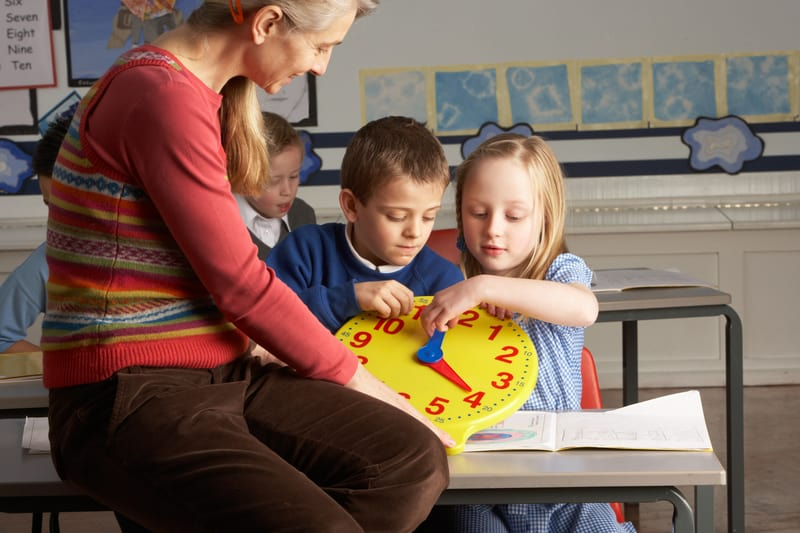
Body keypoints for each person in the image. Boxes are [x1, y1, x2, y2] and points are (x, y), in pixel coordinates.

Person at [42, 2, 454, 532]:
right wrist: (373, 388)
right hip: (127, 389)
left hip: (221, 371)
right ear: (267, 23)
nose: (321, 66)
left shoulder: (201, 95)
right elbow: (242, 286)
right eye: (321, 47)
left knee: (410, 462)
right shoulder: (159, 95)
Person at [418, 134, 636, 532]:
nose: (493, 229)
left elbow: (584, 309)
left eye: (514, 216)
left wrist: (487, 287)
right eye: (478, 213)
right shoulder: (450, 287)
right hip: (480, 486)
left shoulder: (560, 271)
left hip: (564, 483)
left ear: (545, 219)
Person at [267, 115, 464, 333]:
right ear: (351, 206)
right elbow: (266, 320)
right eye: (397, 216)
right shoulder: (304, 251)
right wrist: (348, 299)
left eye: (429, 217)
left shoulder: (446, 282)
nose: (415, 232)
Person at [0, 114, 70, 354]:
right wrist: (56, 367)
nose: (55, 221)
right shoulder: (47, 260)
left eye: (68, 207)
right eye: (50, 206)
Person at [235, 111, 316, 260]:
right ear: (243, 176)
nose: (287, 191)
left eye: (294, 176)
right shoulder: (222, 222)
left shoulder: (304, 214)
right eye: (274, 181)